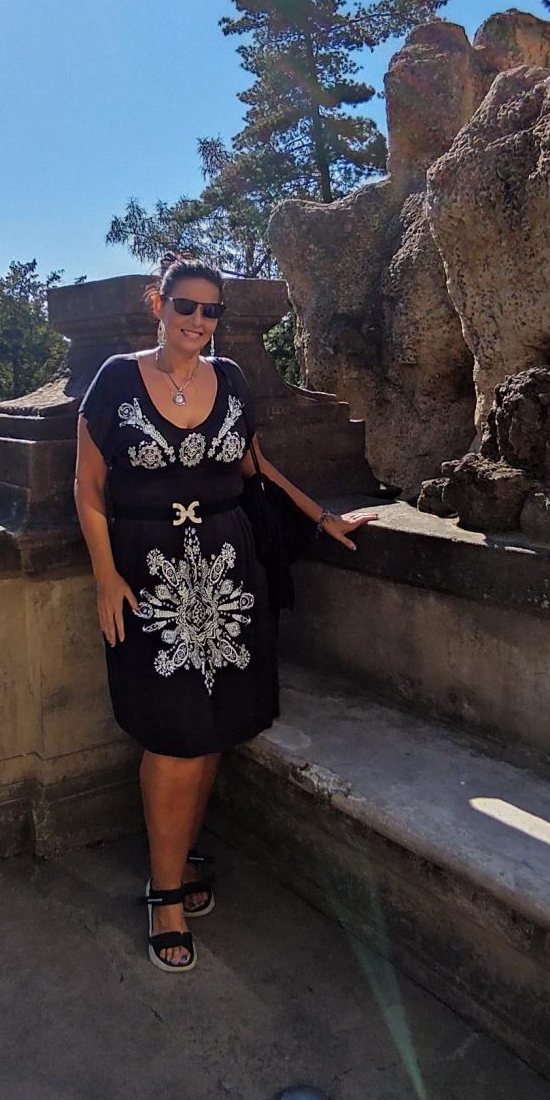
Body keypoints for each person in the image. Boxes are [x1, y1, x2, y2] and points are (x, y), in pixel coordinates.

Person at [73, 256, 379, 973]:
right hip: (150, 578)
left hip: (228, 573)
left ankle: (179, 856)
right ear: (158, 304)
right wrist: (106, 578)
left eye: (211, 311)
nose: (198, 321)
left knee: (211, 731)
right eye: (185, 305)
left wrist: (321, 517)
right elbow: (87, 488)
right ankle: (165, 894)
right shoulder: (116, 379)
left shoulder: (232, 380)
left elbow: (255, 469)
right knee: (173, 734)